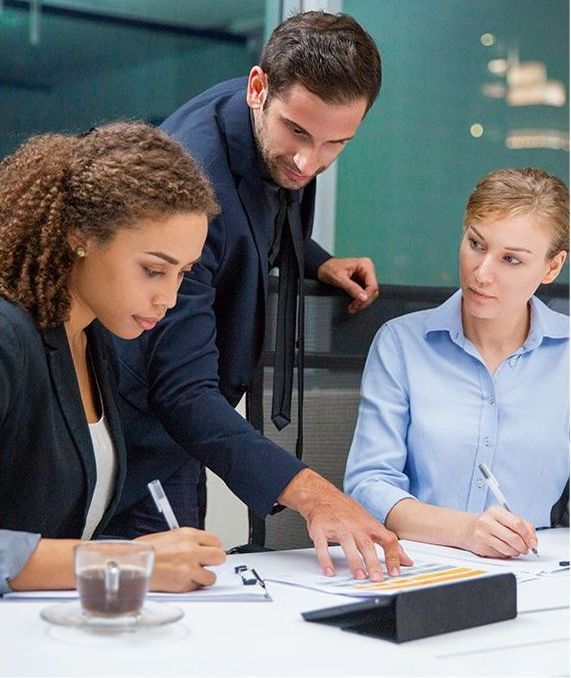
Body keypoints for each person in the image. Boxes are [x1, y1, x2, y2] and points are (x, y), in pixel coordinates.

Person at [107, 11, 412, 580]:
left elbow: (266, 206)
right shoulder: (196, 191)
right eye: (297, 133)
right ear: (257, 88)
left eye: (334, 144)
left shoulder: (278, 120)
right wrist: (316, 495)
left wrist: (314, 258)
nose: (308, 162)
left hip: (185, 423)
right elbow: (180, 389)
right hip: (135, 426)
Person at [0, 122, 227, 594]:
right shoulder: (8, 338)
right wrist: (128, 561)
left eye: (182, 274)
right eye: (152, 270)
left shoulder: (94, 341)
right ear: (80, 236)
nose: (168, 297)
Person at [345, 167, 569, 558]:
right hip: (418, 563)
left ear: (551, 267)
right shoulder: (402, 343)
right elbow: (369, 484)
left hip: (535, 570)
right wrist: (467, 530)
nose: (482, 273)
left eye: (511, 260)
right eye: (476, 244)